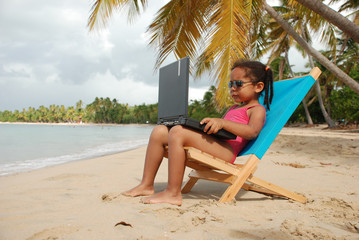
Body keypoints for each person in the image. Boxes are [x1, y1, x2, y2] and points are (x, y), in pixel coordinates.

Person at [122, 60, 274, 206]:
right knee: (159, 131)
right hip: (218, 143)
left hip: (227, 152)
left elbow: (252, 132)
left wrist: (222, 122)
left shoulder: (257, 110)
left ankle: (173, 193)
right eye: (231, 84)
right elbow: (222, 129)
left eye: (238, 84)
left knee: (178, 132)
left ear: (258, 87)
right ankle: (146, 184)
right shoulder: (232, 109)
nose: (233, 88)